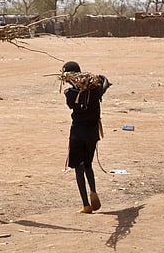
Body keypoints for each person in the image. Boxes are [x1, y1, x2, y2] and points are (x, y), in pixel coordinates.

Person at [62, 61, 110, 214]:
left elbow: (72, 104)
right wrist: (95, 78)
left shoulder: (70, 94)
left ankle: (86, 204)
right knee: (88, 165)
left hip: (77, 133)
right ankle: (93, 191)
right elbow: (105, 81)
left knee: (78, 167)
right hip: (92, 133)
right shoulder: (95, 91)